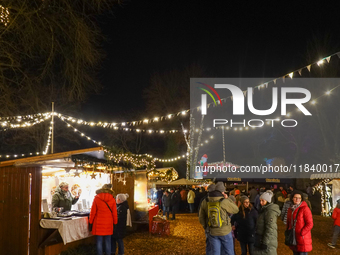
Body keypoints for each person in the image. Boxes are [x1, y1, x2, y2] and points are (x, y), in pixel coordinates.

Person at [199, 181, 239, 255]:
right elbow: (236, 209)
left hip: (212, 231)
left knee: (215, 252)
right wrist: (228, 199)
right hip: (225, 231)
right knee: (229, 252)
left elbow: (201, 217)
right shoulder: (224, 201)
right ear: (222, 192)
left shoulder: (205, 201)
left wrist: (206, 227)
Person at [89, 184, 118, 255]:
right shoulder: (112, 199)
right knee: (108, 241)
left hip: (98, 223)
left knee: (99, 241)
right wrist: (115, 222)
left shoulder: (96, 198)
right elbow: (114, 213)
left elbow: (93, 212)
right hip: (108, 223)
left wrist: (90, 222)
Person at [254, 190, 281, 255]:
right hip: (262, 238)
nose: (261, 202)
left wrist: (265, 242)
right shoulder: (264, 210)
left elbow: (270, 228)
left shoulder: (270, 212)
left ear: (268, 201)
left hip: (268, 241)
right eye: (260, 200)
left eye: (263, 201)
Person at [287, 190, 313, 255]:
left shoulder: (305, 209)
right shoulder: (290, 209)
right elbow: (289, 222)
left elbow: (310, 224)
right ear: (292, 198)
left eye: (299, 198)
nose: (297, 199)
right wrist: (288, 230)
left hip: (302, 238)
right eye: (295, 197)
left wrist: (302, 232)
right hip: (293, 237)